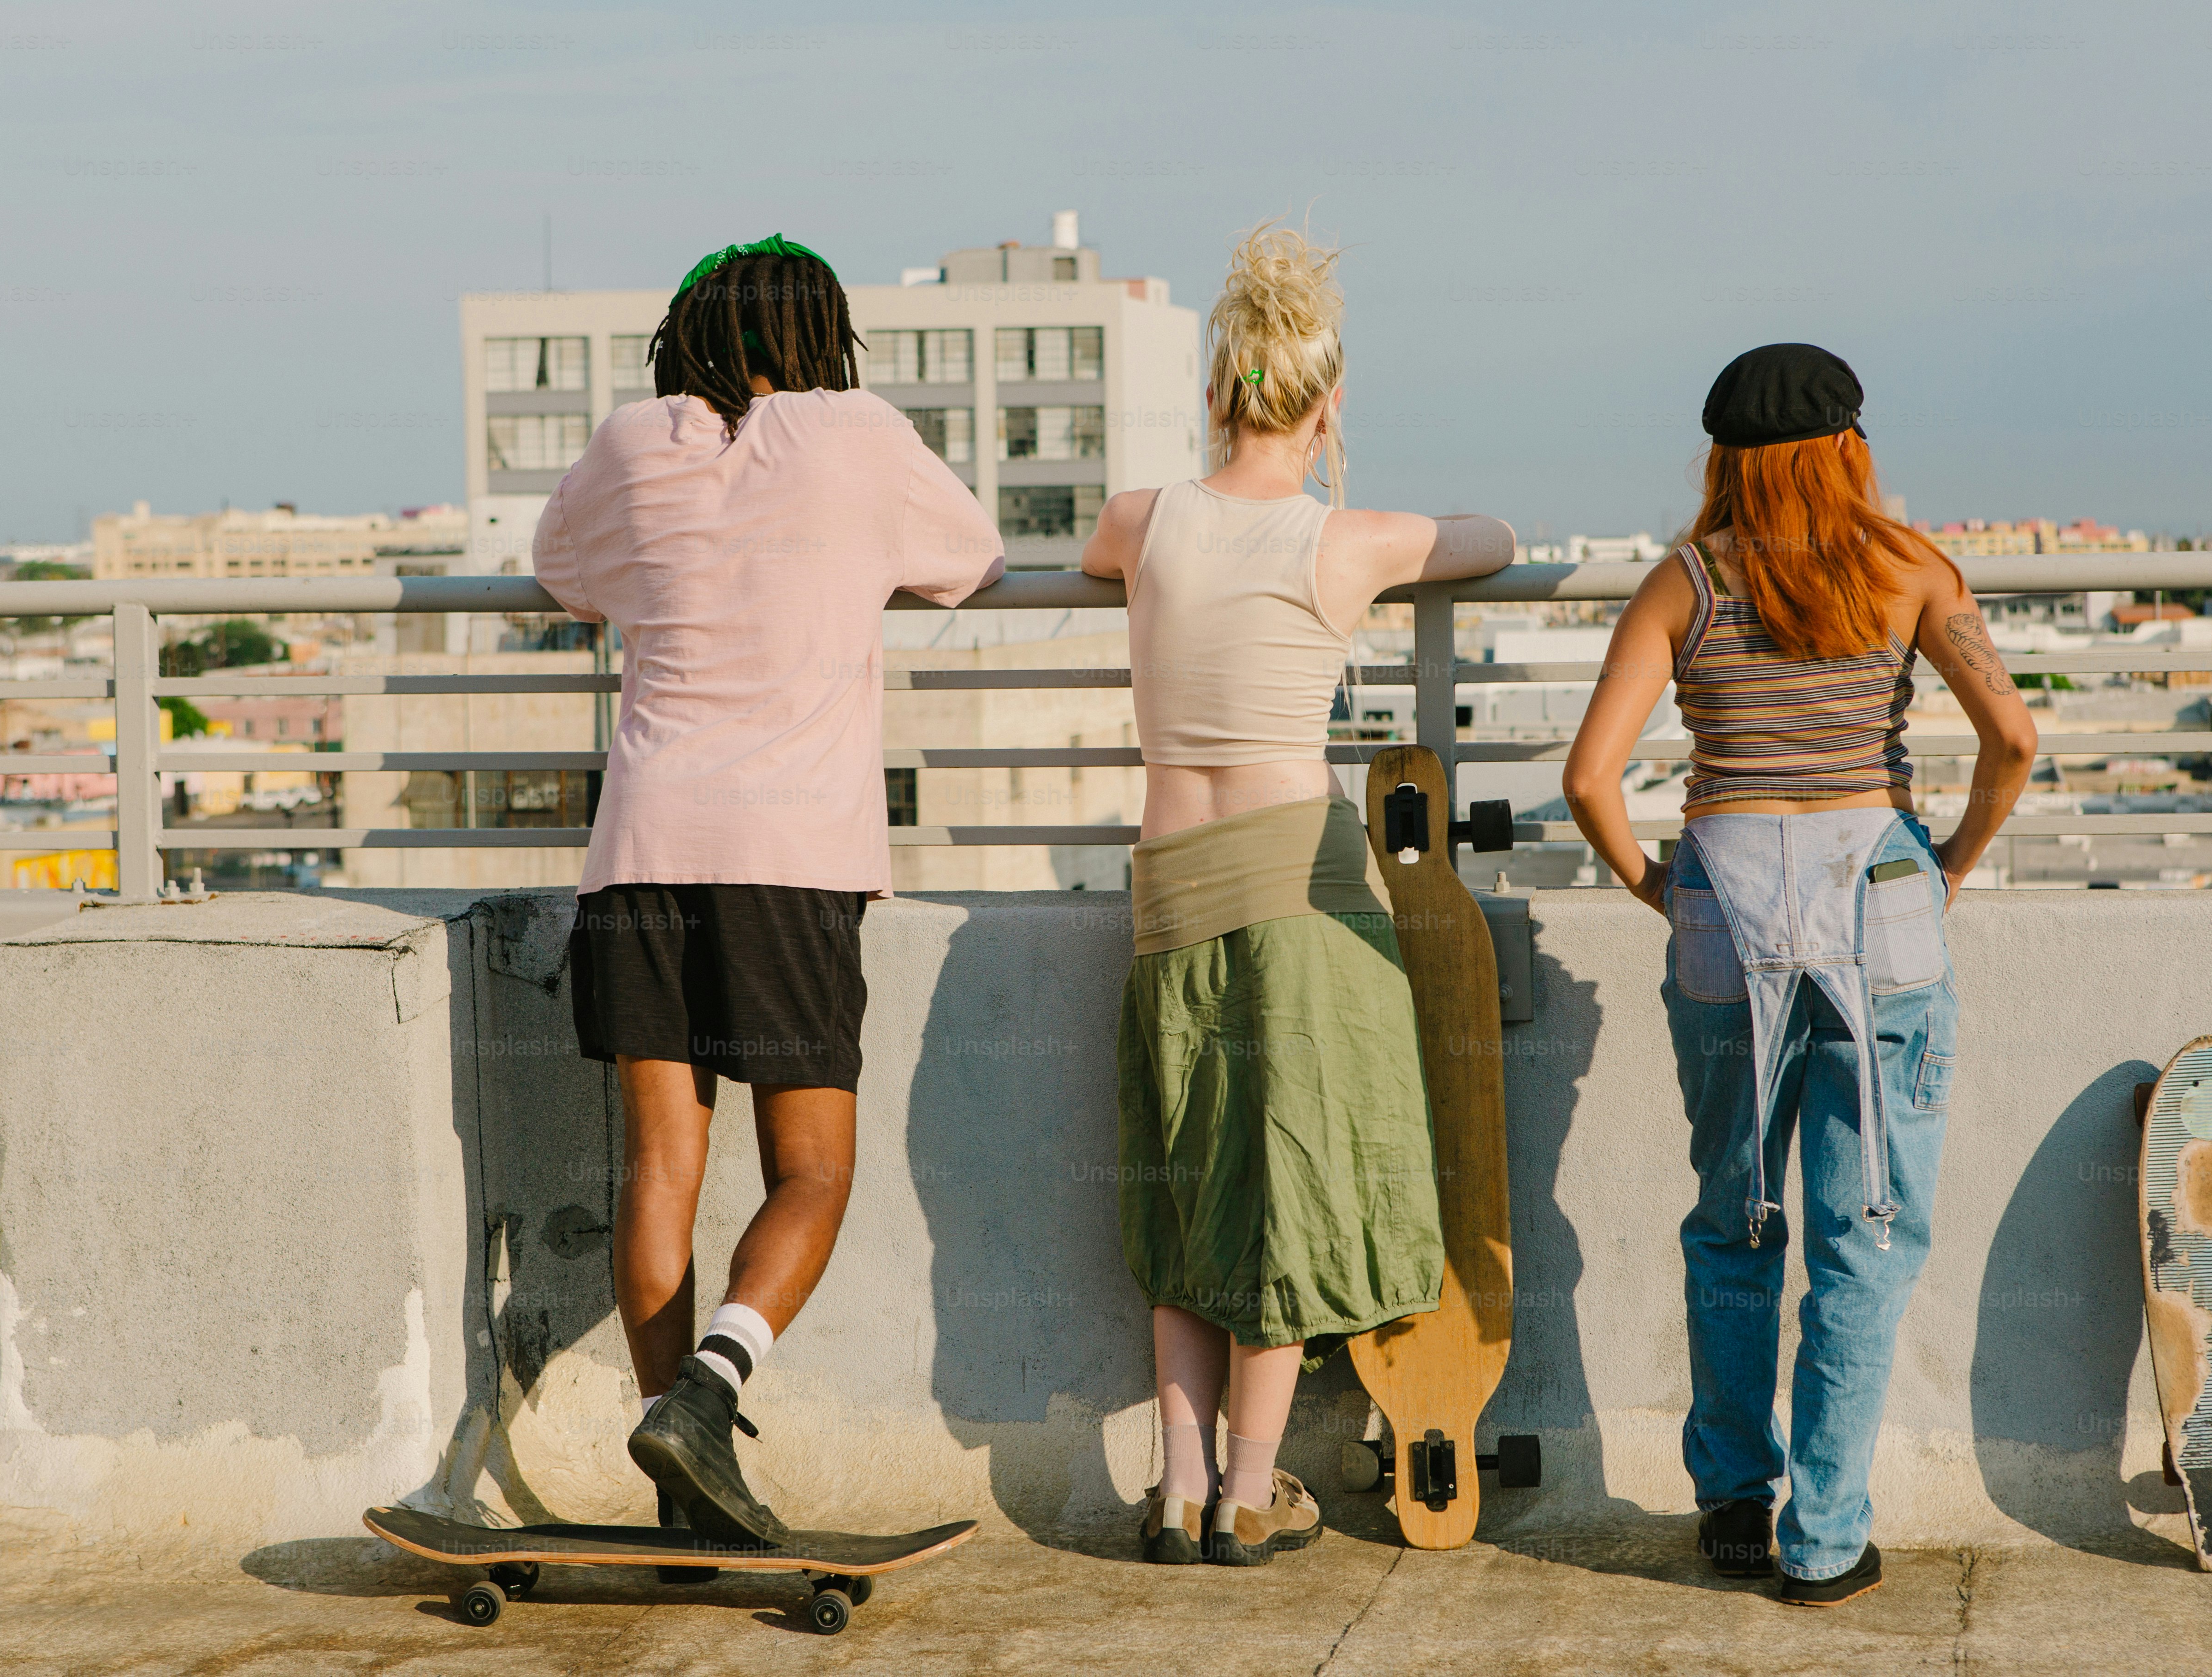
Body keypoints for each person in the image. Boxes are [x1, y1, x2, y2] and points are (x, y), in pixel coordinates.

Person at [532, 235, 1004, 1546]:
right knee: (813, 1171)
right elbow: (972, 555)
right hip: (791, 861)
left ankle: (683, 1482)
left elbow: (561, 575)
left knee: (660, 1173)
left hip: (641, 851)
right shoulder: (859, 434)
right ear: (824, 339)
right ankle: (711, 1397)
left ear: (685, 336)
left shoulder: (633, 441)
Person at [1562, 344, 2036, 1604]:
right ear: (1849, 448)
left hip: (1726, 908)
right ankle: (1825, 1539)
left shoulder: (1685, 584)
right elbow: (2015, 736)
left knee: (1736, 1217)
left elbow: (1588, 780)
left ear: (1724, 458)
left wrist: (1659, 888)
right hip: (1883, 904)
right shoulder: (1911, 572)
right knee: (1863, 1226)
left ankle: (1731, 1501)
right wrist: (1951, 863)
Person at [1082, 221, 1516, 1566]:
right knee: (1285, 1188)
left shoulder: (1140, 521)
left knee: (1187, 1186)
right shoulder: (1347, 541)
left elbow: (1109, 559)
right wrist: (1340, 465)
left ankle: (1173, 1486)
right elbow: (1493, 537)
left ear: (1216, 392)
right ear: (1325, 403)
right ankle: (1249, 1494)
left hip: (1168, 893)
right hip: (1295, 880)